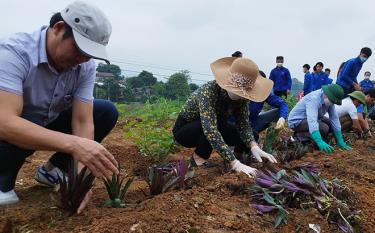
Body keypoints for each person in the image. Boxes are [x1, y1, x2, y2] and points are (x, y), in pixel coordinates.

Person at [0, 1, 119, 212]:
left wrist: (79, 181)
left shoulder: (84, 66)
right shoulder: (14, 52)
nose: (83, 59)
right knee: (29, 119)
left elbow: (83, 122)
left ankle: (54, 170)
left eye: (89, 54)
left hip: (43, 121)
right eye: (79, 49)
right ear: (58, 29)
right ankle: (3, 180)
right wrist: (74, 144)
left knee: (105, 112)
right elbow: (5, 122)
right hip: (13, 124)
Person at [172, 57, 277, 177]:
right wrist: (233, 163)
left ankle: (240, 157)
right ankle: (198, 160)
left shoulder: (243, 99)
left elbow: (243, 124)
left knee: (253, 134)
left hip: (217, 125)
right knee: (214, 125)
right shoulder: (208, 91)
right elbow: (210, 130)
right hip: (186, 131)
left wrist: (253, 145)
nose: (243, 94)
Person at [288, 84, 351, 153]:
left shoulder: (330, 101)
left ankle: (316, 138)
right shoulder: (314, 99)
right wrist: (319, 141)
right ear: (326, 94)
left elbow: (334, 119)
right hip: (297, 121)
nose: (332, 103)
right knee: (324, 128)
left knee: (330, 125)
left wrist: (340, 140)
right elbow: (312, 121)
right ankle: (298, 137)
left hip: (312, 117)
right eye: (332, 100)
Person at [248, 71, 289, 141]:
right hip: (236, 125)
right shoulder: (241, 91)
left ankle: (270, 141)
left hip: (253, 123)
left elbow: (283, 104)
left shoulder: (262, 93)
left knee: (277, 112)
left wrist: (282, 118)